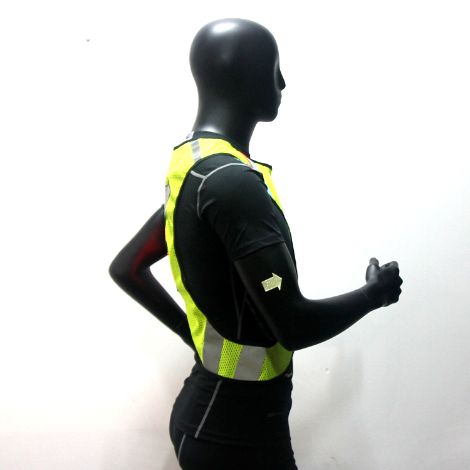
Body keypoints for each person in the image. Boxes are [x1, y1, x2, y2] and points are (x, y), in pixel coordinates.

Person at [109, 18, 403, 469]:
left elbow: (128, 268)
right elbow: (294, 327)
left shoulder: (196, 165)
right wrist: (373, 295)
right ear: (241, 76)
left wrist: (194, 337)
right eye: (274, 69)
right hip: (234, 437)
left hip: (217, 418)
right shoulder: (232, 183)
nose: (283, 83)